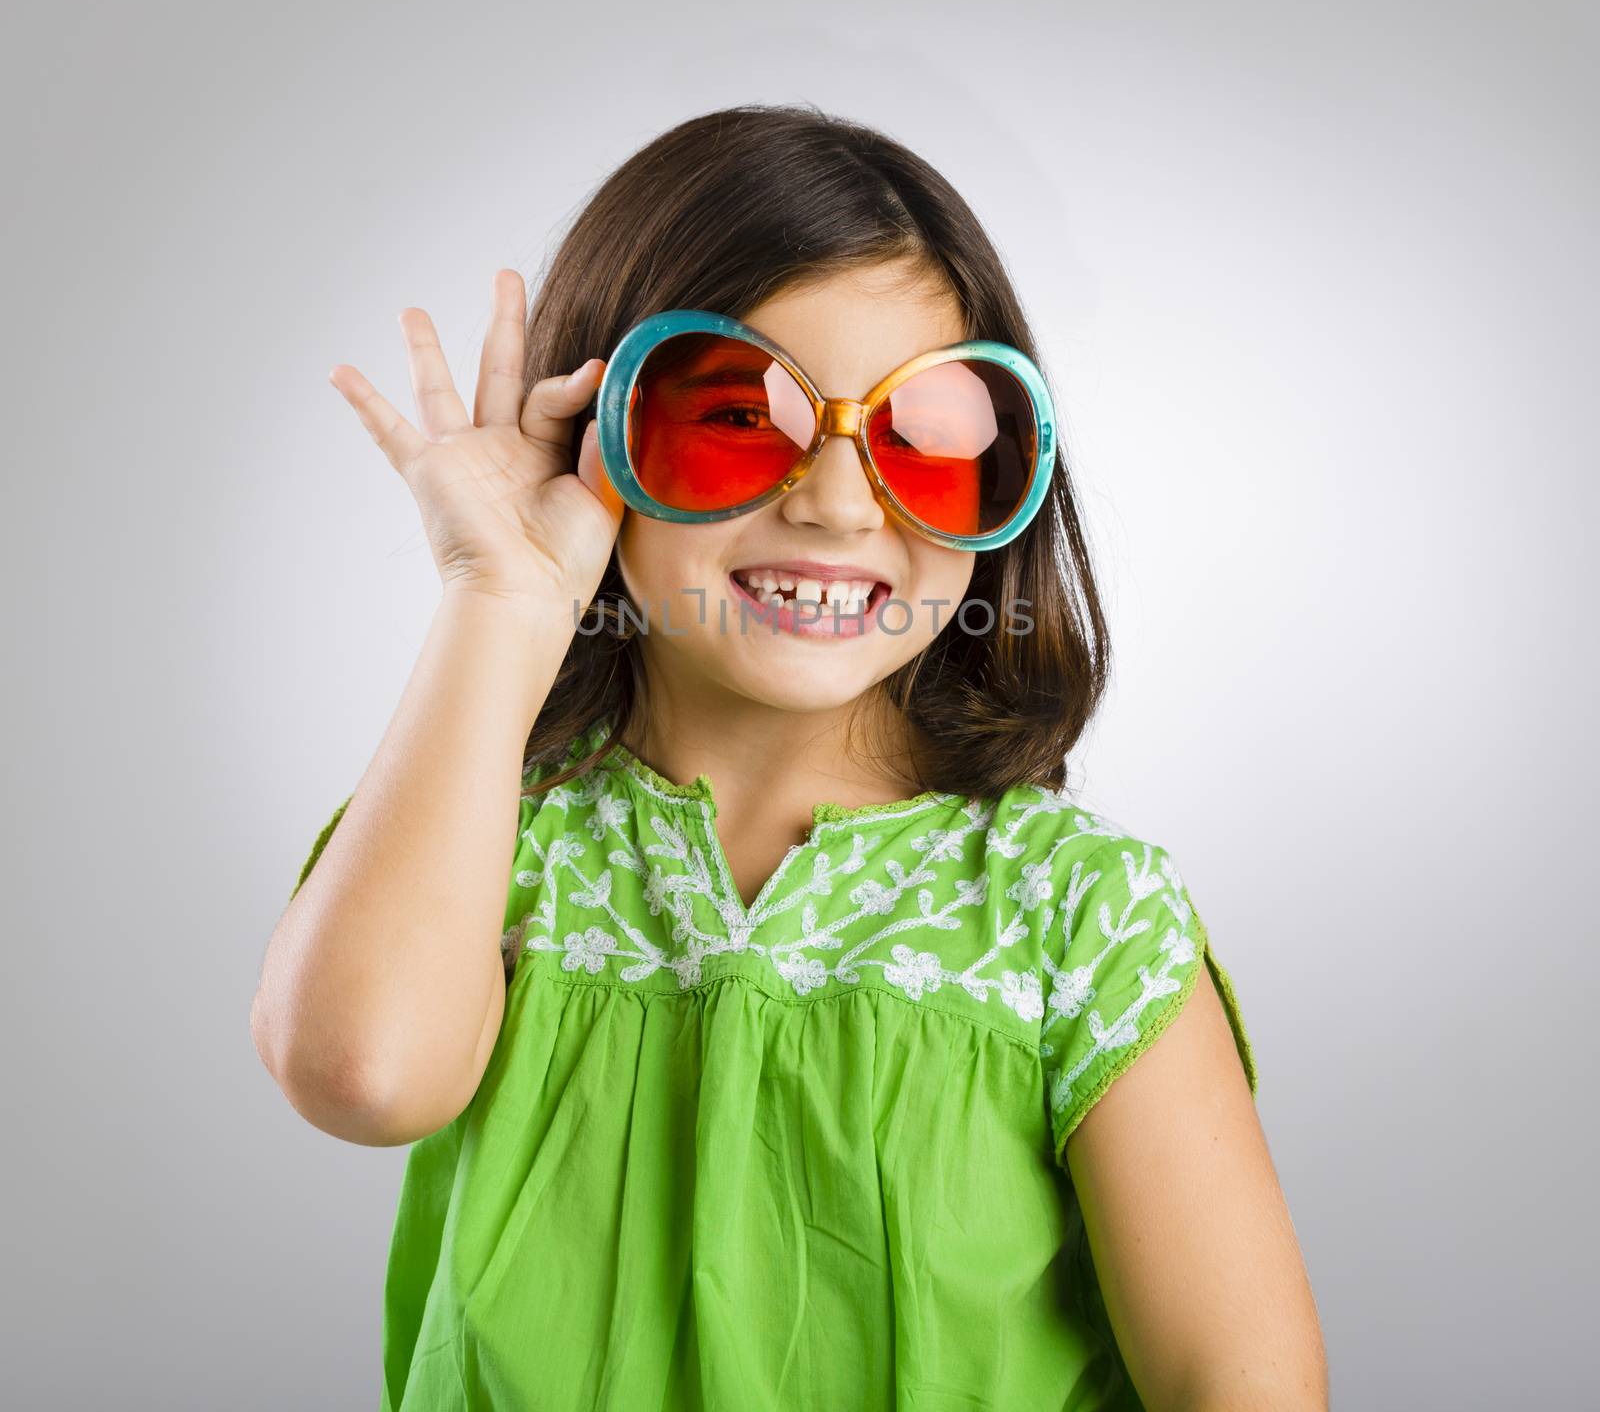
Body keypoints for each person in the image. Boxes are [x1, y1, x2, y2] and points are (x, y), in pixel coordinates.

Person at [252, 103, 1328, 1410]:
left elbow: (1246, 1389)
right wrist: (502, 600)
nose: (832, 502)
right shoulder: (496, 840)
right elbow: (363, 1075)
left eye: (925, 439)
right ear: (596, 440)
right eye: (735, 421)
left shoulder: (1073, 916)